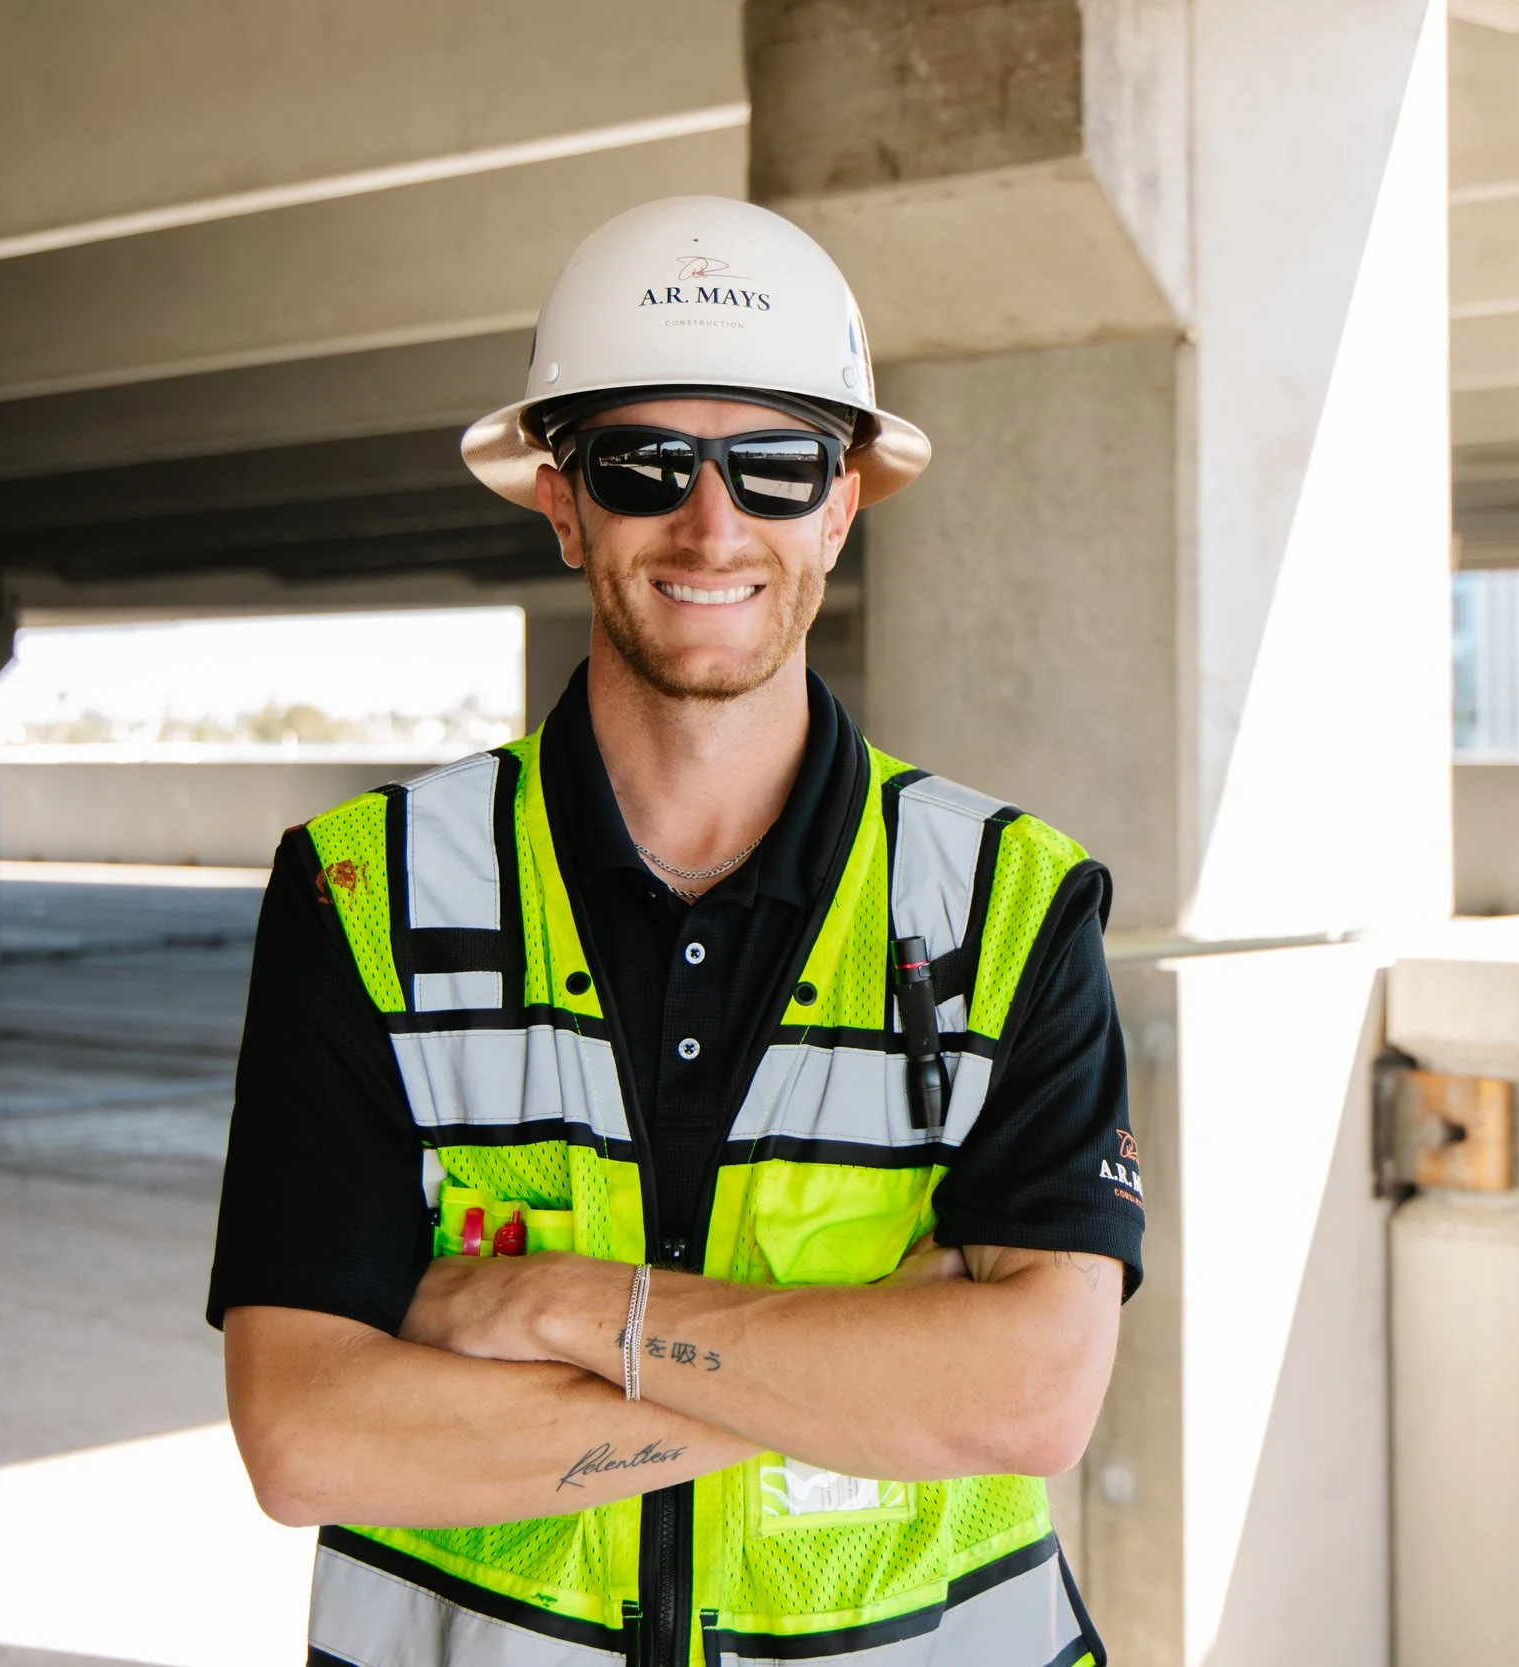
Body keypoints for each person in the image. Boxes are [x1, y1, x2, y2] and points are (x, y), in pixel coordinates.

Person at [207, 196, 1143, 1667]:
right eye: (647, 464)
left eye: (777, 466)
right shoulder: (361, 897)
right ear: (563, 498)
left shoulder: (1012, 902)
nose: (715, 523)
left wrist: (558, 1306)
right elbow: (306, 1436)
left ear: (842, 504)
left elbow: (1029, 1401)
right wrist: (855, 1362)